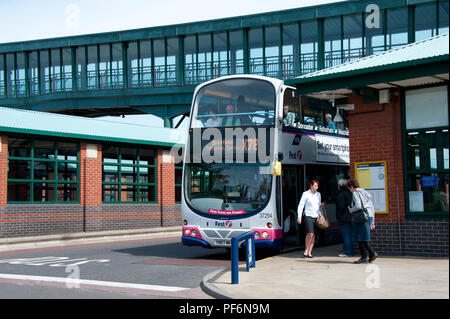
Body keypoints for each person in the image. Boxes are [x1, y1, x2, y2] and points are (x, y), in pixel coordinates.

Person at [347, 178, 378, 264]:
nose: (349, 190)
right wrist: (373, 221)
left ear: (352, 187)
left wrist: (351, 210)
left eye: (349, 188)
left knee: (361, 237)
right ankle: (366, 256)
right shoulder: (364, 192)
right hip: (369, 216)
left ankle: (370, 254)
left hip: (361, 218)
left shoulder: (355, 193)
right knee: (363, 237)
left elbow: (358, 206)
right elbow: (371, 207)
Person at [297, 179, 324, 258]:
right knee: (310, 233)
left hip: (316, 216)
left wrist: (321, 205)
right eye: (315, 186)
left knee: (314, 235)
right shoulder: (305, 194)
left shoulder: (318, 194)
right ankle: (306, 249)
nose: (316, 187)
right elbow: (301, 205)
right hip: (308, 215)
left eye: (317, 186)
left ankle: (309, 252)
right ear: (311, 186)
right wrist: (299, 216)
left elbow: (318, 205)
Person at [336, 178, 354, 257]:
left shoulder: (340, 194)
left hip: (343, 218)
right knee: (350, 235)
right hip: (351, 216)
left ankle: (347, 252)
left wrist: (338, 216)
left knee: (346, 236)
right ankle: (351, 251)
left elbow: (341, 207)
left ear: (339, 186)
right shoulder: (350, 193)